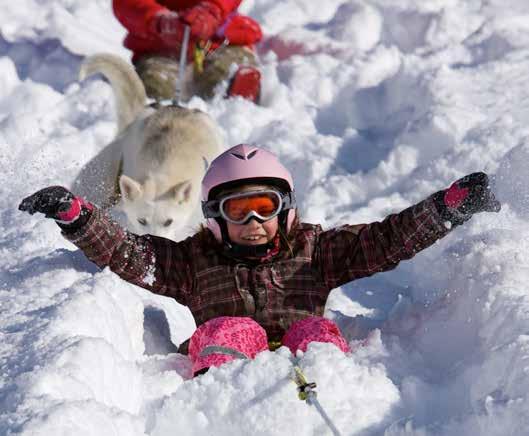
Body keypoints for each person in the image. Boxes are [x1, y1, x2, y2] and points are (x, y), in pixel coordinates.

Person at [18, 144, 501, 375]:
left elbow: (387, 240)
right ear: (213, 217)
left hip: (307, 361)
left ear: (285, 211)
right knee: (228, 331)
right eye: (237, 209)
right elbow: (130, 253)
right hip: (225, 366)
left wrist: (447, 207)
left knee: (315, 334)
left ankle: (323, 393)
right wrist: (77, 216)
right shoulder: (192, 263)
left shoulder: (317, 252)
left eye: (265, 207)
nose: (253, 219)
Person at [112, 0, 263, 103]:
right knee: (157, 83)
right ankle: (159, 108)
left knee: (228, 69)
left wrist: (212, 10)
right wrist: (158, 20)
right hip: (160, 47)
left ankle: (236, 99)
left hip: (221, 40)